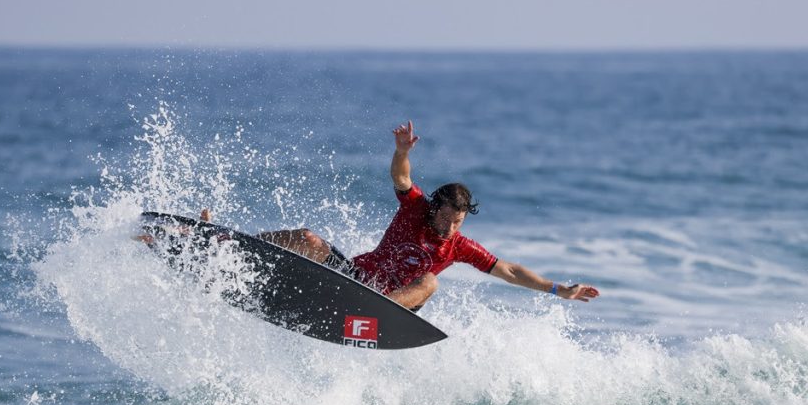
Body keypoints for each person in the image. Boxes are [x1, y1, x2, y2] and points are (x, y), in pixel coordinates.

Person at [256, 120, 600, 310]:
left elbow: (509, 270)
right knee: (307, 239)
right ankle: (237, 246)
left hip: (394, 304)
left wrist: (557, 289)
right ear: (435, 208)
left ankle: (376, 310)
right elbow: (401, 177)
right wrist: (401, 151)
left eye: (458, 222)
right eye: (447, 219)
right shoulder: (416, 208)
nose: (451, 228)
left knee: (431, 281)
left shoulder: (459, 247)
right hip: (355, 279)